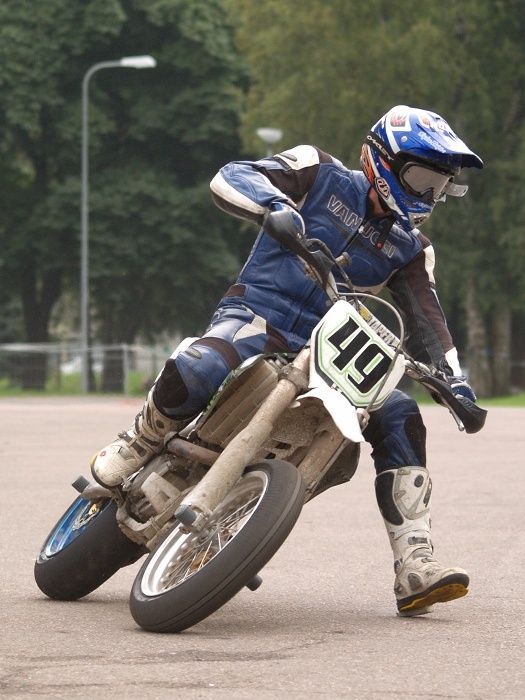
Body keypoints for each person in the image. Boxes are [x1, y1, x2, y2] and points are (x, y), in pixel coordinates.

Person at [91, 105, 484, 616]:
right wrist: (274, 205)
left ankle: (415, 561)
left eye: (440, 185)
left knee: (400, 412)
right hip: (258, 315)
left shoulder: (411, 248)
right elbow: (234, 175)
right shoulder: (318, 171)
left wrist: (456, 383)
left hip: (330, 352)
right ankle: (142, 438)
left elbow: (430, 322)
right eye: (422, 178)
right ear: (381, 160)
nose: (429, 194)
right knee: (203, 365)